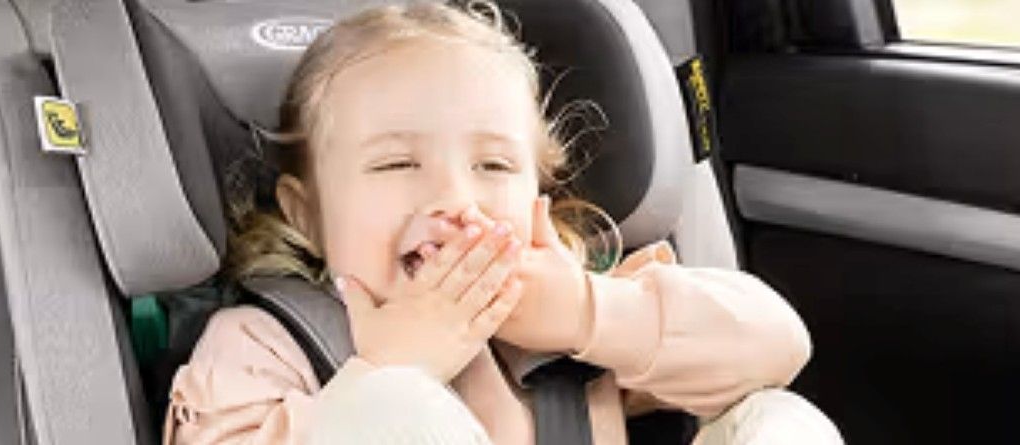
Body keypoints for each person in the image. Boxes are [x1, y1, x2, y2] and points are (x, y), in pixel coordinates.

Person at [165, 2, 837, 443]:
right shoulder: (264, 342)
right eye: (397, 163)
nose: (458, 198)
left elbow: (779, 346)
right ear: (306, 213)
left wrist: (589, 313)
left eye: (493, 165)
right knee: (402, 413)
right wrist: (392, 370)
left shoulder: (564, 312)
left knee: (779, 421)